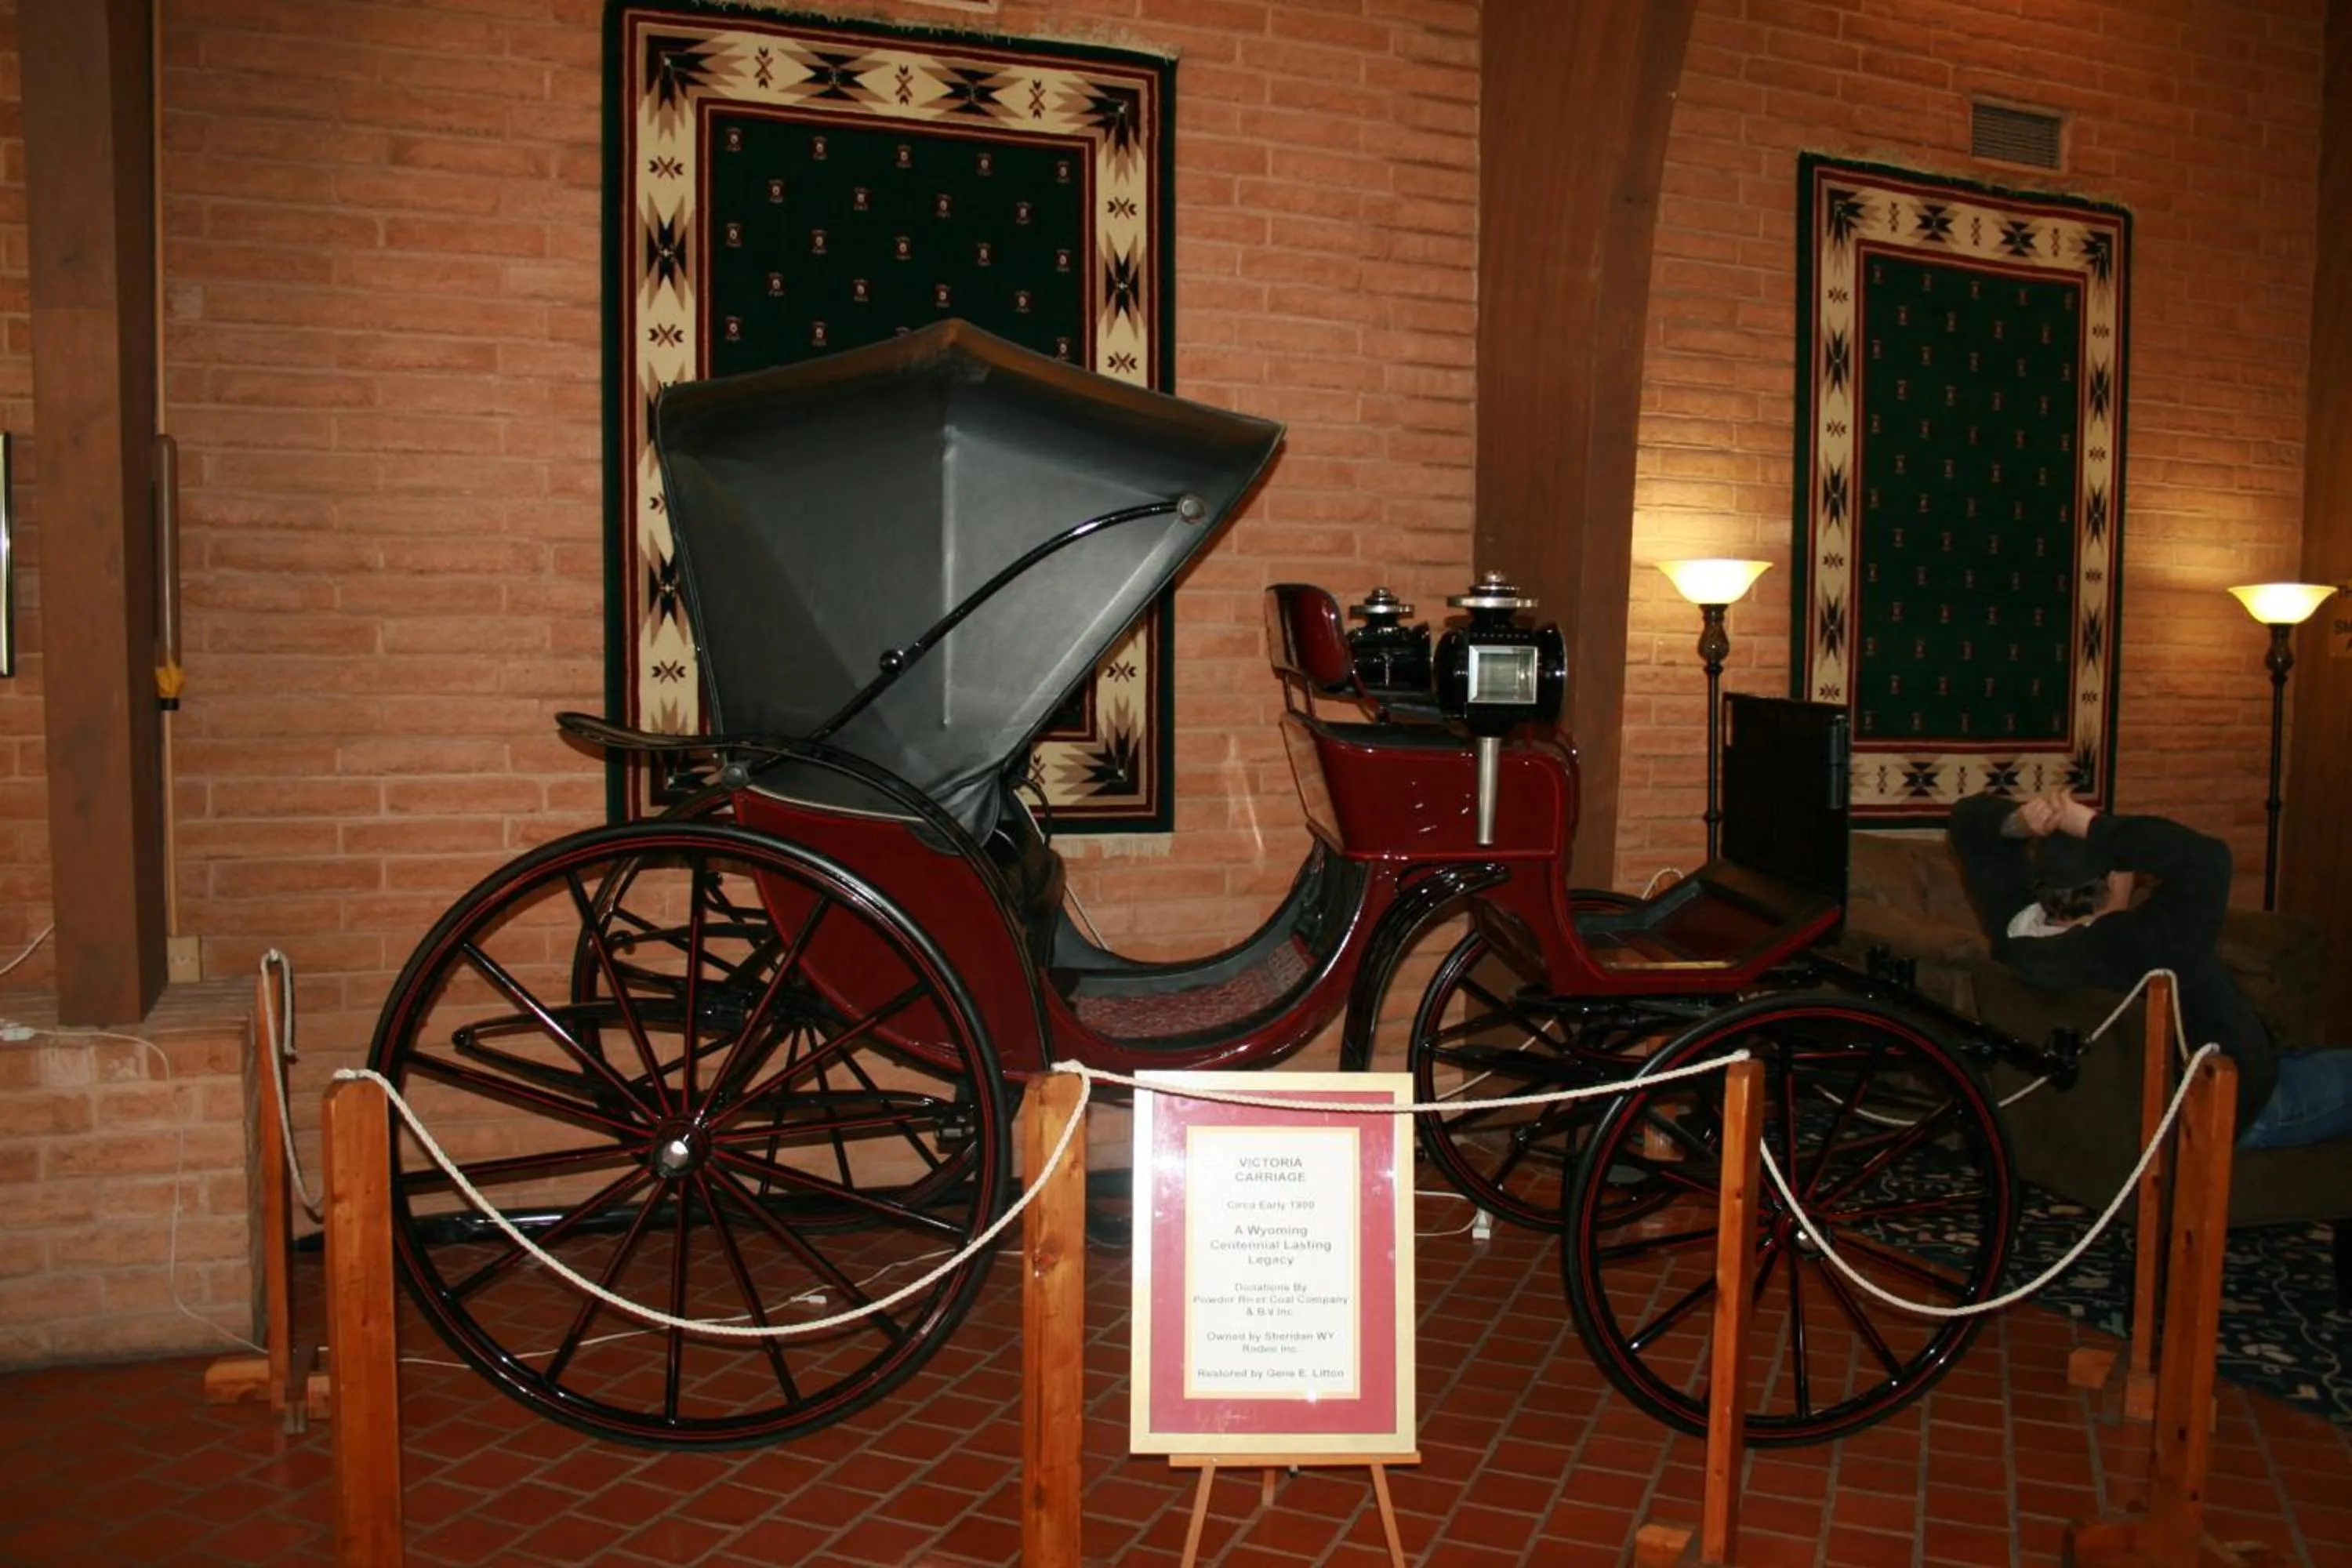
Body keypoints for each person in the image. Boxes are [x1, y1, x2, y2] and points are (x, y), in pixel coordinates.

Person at [1947, 786, 2352, 1149]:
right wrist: (2092, 825)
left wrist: (2018, 822)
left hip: (2129, 1117)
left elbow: (1967, 821)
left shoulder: (2015, 935)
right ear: (2115, 880)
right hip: (2239, 1106)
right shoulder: (2142, 946)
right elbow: (2207, 859)